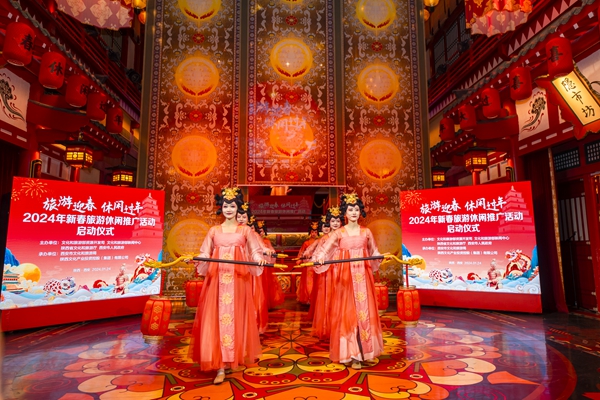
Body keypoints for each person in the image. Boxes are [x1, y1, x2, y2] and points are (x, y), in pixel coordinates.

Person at [190, 188, 267, 384]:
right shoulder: (214, 231)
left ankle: (232, 357)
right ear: (221, 208)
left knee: (235, 317)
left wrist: (258, 259)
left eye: (232, 206)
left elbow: (255, 251)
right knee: (216, 318)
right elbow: (205, 253)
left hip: (238, 281)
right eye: (226, 206)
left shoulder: (245, 230)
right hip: (216, 281)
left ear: (238, 207)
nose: (229, 209)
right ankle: (220, 366)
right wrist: (198, 258)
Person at [313, 193, 383, 370]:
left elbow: (374, 251)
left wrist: (379, 257)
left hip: (364, 277)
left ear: (360, 212)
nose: (353, 212)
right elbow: (324, 251)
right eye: (350, 210)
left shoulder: (366, 232)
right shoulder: (339, 233)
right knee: (348, 314)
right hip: (346, 279)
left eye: (356, 209)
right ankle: (353, 354)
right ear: (345, 212)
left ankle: (366, 352)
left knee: (364, 312)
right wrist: (320, 258)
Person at [307, 207, 343, 339]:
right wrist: (320, 259)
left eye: (338, 221)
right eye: (332, 221)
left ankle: (342, 327)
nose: (335, 223)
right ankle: (328, 327)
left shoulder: (344, 236)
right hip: (328, 272)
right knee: (329, 297)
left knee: (342, 298)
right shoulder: (325, 238)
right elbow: (316, 255)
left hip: (342, 269)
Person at [237, 204, 269, 334]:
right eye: (238, 216)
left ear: (248, 218)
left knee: (251, 295)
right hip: (235, 268)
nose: (241, 219)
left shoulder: (251, 233)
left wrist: (266, 252)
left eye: (244, 217)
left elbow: (260, 247)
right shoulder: (231, 231)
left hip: (249, 268)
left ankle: (251, 324)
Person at [254, 220, 285, 309]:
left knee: (265, 285)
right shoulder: (253, 240)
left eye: (262, 231)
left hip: (265, 266)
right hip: (256, 265)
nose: (260, 233)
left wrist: (270, 254)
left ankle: (265, 303)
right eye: (259, 231)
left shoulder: (266, 241)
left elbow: (272, 251)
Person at [296, 221, 319, 304]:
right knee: (308, 282)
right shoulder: (306, 243)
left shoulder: (319, 241)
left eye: (315, 232)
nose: (314, 234)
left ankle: (315, 298)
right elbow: (301, 253)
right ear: (310, 232)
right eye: (312, 232)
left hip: (316, 264)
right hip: (308, 264)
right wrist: (299, 259)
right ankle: (309, 298)